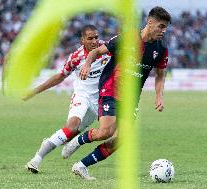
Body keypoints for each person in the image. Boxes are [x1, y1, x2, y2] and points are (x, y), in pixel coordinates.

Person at [62, 6, 171, 180]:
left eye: (166, 27)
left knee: (120, 139)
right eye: (161, 26)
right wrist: (87, 64)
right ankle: (78, 141)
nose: (164, 31)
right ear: (150, 23)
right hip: (111, 88)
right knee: (106, 131)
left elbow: (160, 75)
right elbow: (97, 51)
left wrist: (159, 95)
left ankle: (81, 166)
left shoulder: (161, 48)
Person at [24, 25, 111, 173]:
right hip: (82, 95)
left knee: (75, 133)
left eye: (96, 37)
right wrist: (35, 91)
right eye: (90, 38)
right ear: (82, 40)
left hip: (101, 101)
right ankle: (35, 160)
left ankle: (59, 142)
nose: (95, 41)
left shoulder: (108, 49)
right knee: (71, 127)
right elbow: (59, 76)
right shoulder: (76, 57)